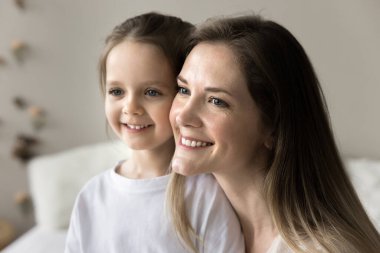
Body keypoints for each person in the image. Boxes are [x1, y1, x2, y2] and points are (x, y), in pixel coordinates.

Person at [168, 14, 380, 253]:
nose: (182, 116)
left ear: (273, 126)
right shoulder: (196, 224)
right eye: (183, 89)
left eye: (216, 101)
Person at [64, 12, 244, 253]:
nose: (131, 107)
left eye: (151, 92)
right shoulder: (91, 198)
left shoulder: (206, 195)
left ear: (182, 93)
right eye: (117, 92)